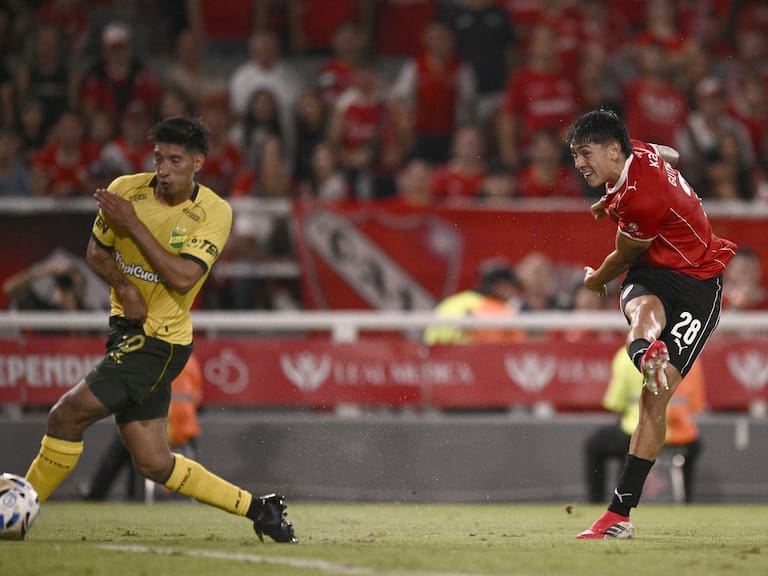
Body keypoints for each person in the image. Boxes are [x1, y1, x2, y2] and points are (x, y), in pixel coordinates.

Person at [23, 116, 297, 544]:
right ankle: (261, 509)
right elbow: (96, 252)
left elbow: (184, 278)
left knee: (65, 415)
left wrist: (133, 224)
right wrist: (123, 285)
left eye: (174, 160)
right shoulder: (124, 190)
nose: (163, 169)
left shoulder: (213, 212)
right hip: (126, 331)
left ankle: (18, 510)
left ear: (198, 164)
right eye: (158, 158)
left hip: (159, 342)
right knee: (153, 462)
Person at [568, 108, 736, 539]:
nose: (580, 164)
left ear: (611, 150)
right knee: (645, 317)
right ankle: (647, 354)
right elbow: (672, 154)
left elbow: (621, 258)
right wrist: (608, 198)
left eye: (585, 153)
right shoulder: (637, 152)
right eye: (575, 155)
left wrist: (593, 280)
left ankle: (619, 513)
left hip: (699, 287)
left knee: (652, 399)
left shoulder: (641, 199)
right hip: (655, 272)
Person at [585, 347, 705, 504]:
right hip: (681, 437)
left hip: (637, 434)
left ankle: (597, 502)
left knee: (594, 445)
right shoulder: (692, 356)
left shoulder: (626, 355)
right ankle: (686, 501)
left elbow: (614, 403)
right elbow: (696, 405)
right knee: (694, 446)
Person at [423, 262, 523, 345]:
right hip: (470, 360)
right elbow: (512, 347)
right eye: (513, 287)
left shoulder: (451, 302)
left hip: (438, 361)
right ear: (500, 287)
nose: (514, 293)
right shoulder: (496, 308)